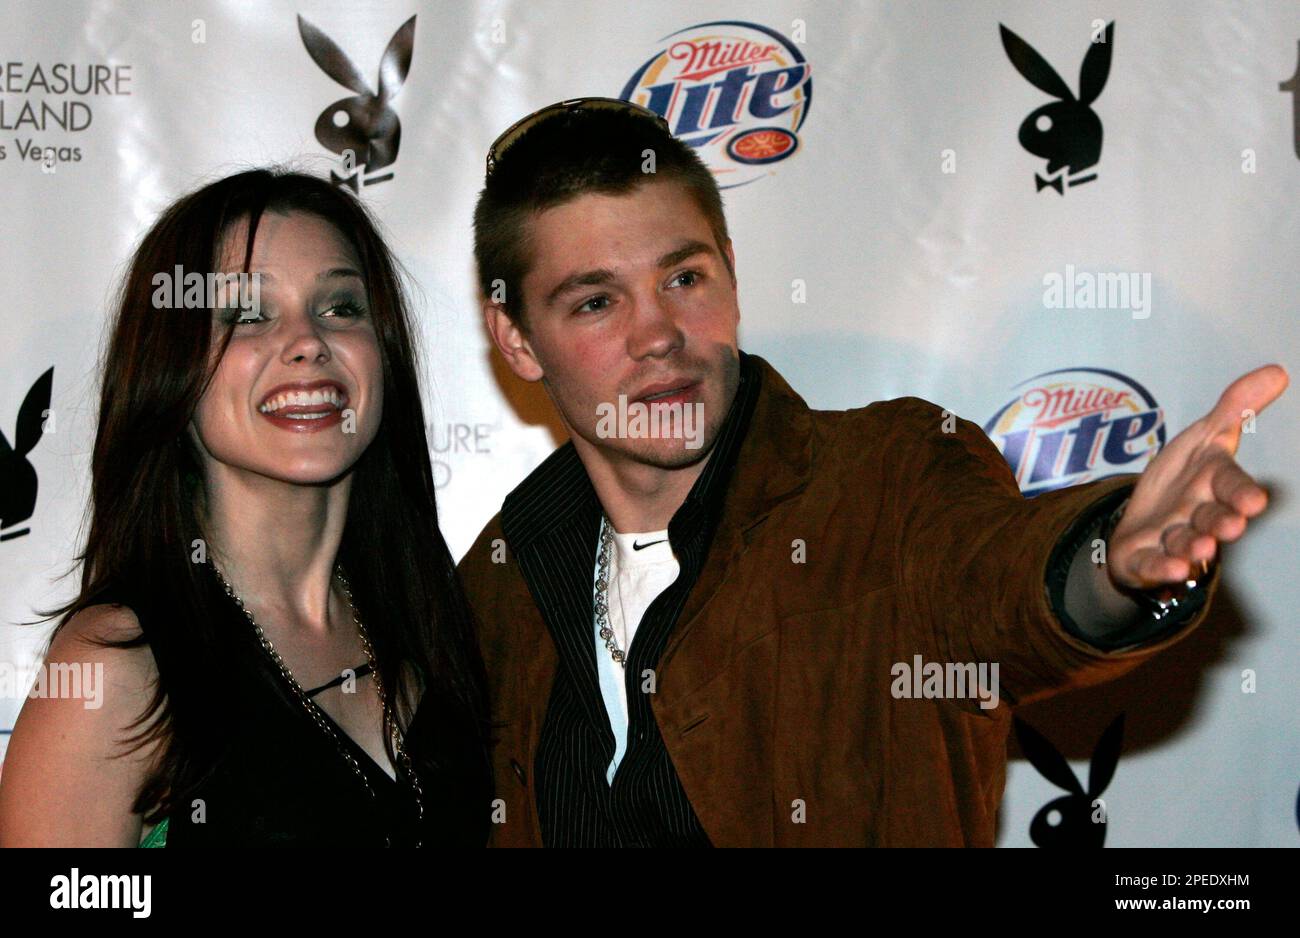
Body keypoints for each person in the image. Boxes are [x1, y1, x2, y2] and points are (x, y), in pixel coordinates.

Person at [458, 98, 1288, 846]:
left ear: (732, 271)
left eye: (684, 277)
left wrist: (1115, 561)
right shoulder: (499, 580)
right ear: (518, 340)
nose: (659, 333)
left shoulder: (890, 481)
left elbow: (1002, 581)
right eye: (597, 302)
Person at [0, 169, 492, 847]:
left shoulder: (431, 614)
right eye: (246, 316)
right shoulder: (122, 661)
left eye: (341, 307)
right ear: (170, 368)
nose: (307, 342)